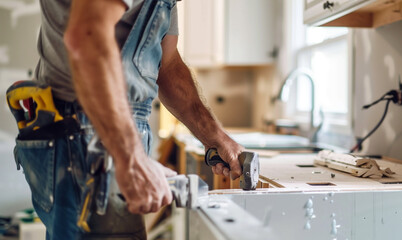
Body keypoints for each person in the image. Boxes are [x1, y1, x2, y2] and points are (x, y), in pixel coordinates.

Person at [13, 0, 244, 239]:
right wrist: (130, 157)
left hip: (103, 132)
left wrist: (216, 137)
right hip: (85, 133)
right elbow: (88, 37)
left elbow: (169, 64)